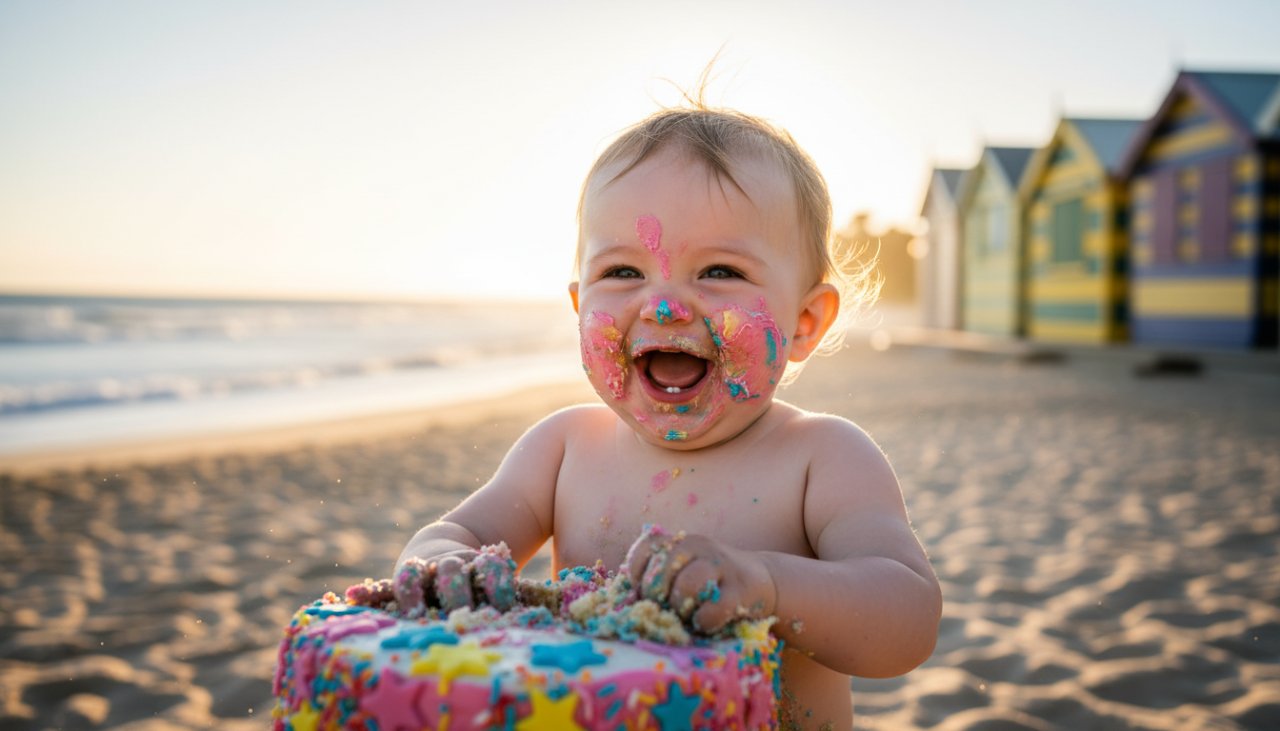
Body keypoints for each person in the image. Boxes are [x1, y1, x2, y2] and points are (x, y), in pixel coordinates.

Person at [396, 98, 941, 729]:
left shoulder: (823, 459)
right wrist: (441, 564)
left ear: (804, 321)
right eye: (623, 270)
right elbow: (446, 537)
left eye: (719, 270)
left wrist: (765, 585)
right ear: (579, 306)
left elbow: (907, 620)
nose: (662, 306)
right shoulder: (563, 450)